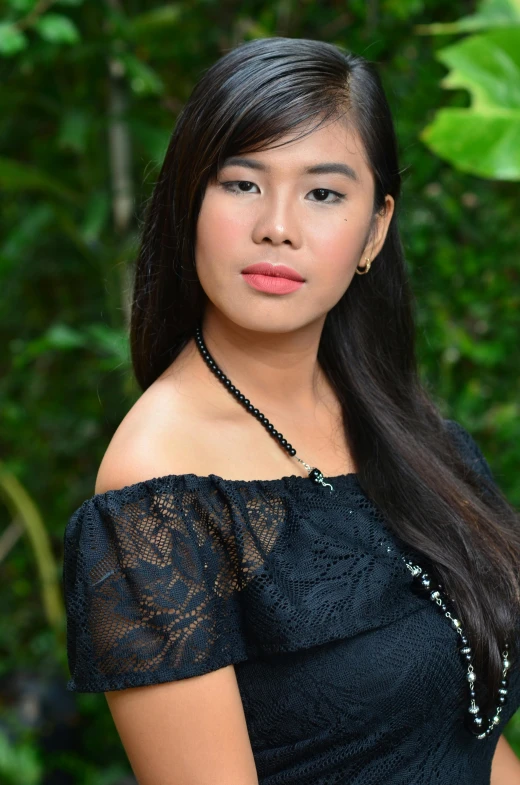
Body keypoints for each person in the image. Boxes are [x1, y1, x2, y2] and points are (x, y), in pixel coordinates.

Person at [62, 37, 520, 785]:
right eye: (242, 184)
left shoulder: (416, 438)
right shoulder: (160, 490)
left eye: (324, 193)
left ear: (374, 228)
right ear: (188, 203)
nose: (278, 225)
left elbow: (463, 730)